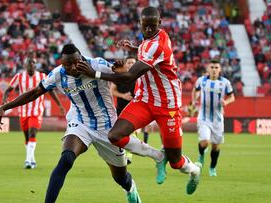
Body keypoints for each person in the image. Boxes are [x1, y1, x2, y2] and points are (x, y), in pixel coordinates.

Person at [0, 44, 165, 203]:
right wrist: (5, 106)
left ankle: (131, 188)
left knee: (120, 177)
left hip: (108, 127)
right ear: (62, 64)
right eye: (68, 65)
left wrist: (119, 70)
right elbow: (35, 92)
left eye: (77, 62)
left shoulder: (97, 64)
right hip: (80, 122)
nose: (73, 67)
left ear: (82, 58)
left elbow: (123, 79)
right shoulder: (58, 74)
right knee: (66, 159)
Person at [77, 6, 202, 194]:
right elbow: (146, 52)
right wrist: (135, 48)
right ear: (140, 24)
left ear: (159, 24)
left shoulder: (157, 44)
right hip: (144, 100)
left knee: (176, 162)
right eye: (145, 26)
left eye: (153, 26)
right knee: (115, 136)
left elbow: (128, 77)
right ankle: (158, 157)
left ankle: (194, 170)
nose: (149, 30)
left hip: (167, 105)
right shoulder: (150, 39)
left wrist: (94, 74)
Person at [2, 53, 65, 169]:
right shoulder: (19, 77)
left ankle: (27, 161)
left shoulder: (42, 76)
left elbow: (50, 90)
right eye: (29, 62)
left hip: (36, 111)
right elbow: (8, 90)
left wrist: (59, 105)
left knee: (32, 133)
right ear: (25, 65)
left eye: (33, 62)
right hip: (23, 111)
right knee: (27, 137)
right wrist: (4, 100)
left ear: (36, 65)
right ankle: (32, 159)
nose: (31, 64)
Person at [192, 59, 235, 177]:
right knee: (205, 141)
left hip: (218, 119)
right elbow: (195, 90)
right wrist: (194, 100)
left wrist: (226, 102)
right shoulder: (202, 81)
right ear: (208, 69)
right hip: (204, 117)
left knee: (215, 146)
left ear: (220, 69)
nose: (214, 70)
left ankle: (212, 167)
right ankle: (201, 156)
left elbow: (232, 97)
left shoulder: (225, 82)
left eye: (216, 67)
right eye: (212, 67)